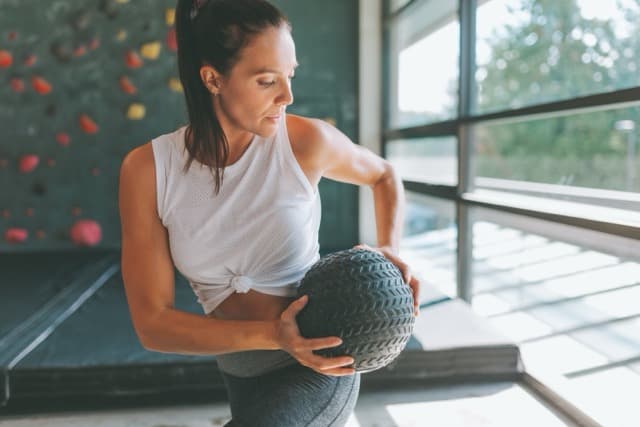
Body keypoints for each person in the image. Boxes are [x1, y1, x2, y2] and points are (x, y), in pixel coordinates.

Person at [118, 0, 420, 425]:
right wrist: (272, 335)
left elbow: (385, 176)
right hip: (241, 373)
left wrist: (389, 246)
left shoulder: (305, 142)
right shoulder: (147, 171)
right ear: (212, 78)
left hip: (318, 363)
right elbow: (152, 325)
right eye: (266, 81)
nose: (287, 96)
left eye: (289, 76)